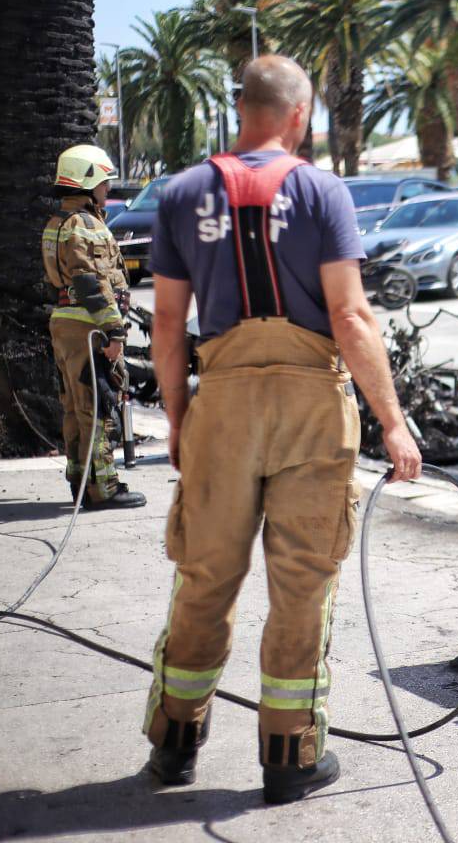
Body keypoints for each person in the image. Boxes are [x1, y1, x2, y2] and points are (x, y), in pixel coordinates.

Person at [143, 55, 423, 804]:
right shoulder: (320, 189)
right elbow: (351, 317)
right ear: (300, 115)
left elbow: (167, 322)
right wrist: (393, 424)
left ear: (243, 109)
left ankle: (174, 744)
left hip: (223, 401)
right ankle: (290, 757)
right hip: (309, 404)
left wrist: (179, 419)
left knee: (205, 575)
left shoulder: (182, 192)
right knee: (302, 582)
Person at [41, 144, 146, 510]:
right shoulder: (85, 227)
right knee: (100, 409)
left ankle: (80, 482)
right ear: (86, 182)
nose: (107, 190)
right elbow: (91, 283)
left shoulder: (57, 224)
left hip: (66, 325)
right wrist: (114, 332)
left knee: (76, 408)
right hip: (89, 328)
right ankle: (103, 488)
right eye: (104, 182)